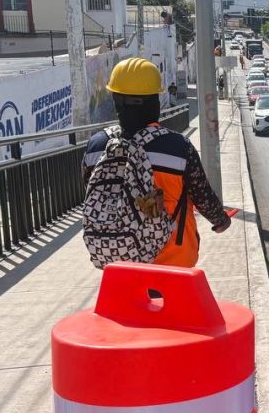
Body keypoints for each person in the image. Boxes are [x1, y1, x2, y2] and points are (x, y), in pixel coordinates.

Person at [83, 57, 231, 268]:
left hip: (119, 263)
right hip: (173, 262)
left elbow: (90, 196)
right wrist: (220, 220)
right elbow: (202, 196)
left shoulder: (96, 147)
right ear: (154, 103)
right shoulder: (178, 148)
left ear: (116, 101)